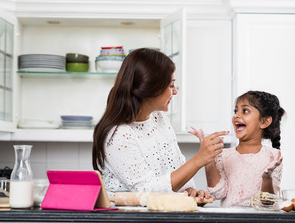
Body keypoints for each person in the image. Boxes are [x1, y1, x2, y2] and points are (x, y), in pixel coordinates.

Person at [92, 48, 228, 200]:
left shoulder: (159, 118)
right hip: (124, 217)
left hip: (159, 214)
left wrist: (189, 189)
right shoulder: (118, 135)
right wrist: (199, 159)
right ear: (151, 88)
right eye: (171, 85)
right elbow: (148, 191)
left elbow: (176, 165)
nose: (175, 92)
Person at [190, 90, 285, 207]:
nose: (236, 115)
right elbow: (217, 193)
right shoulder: (223, 155)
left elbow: (268, 203)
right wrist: (208, 155)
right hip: (230, 220)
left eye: (245, 111)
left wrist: (267, 177)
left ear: (264, 122)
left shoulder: (273, 156)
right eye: (235, 111)